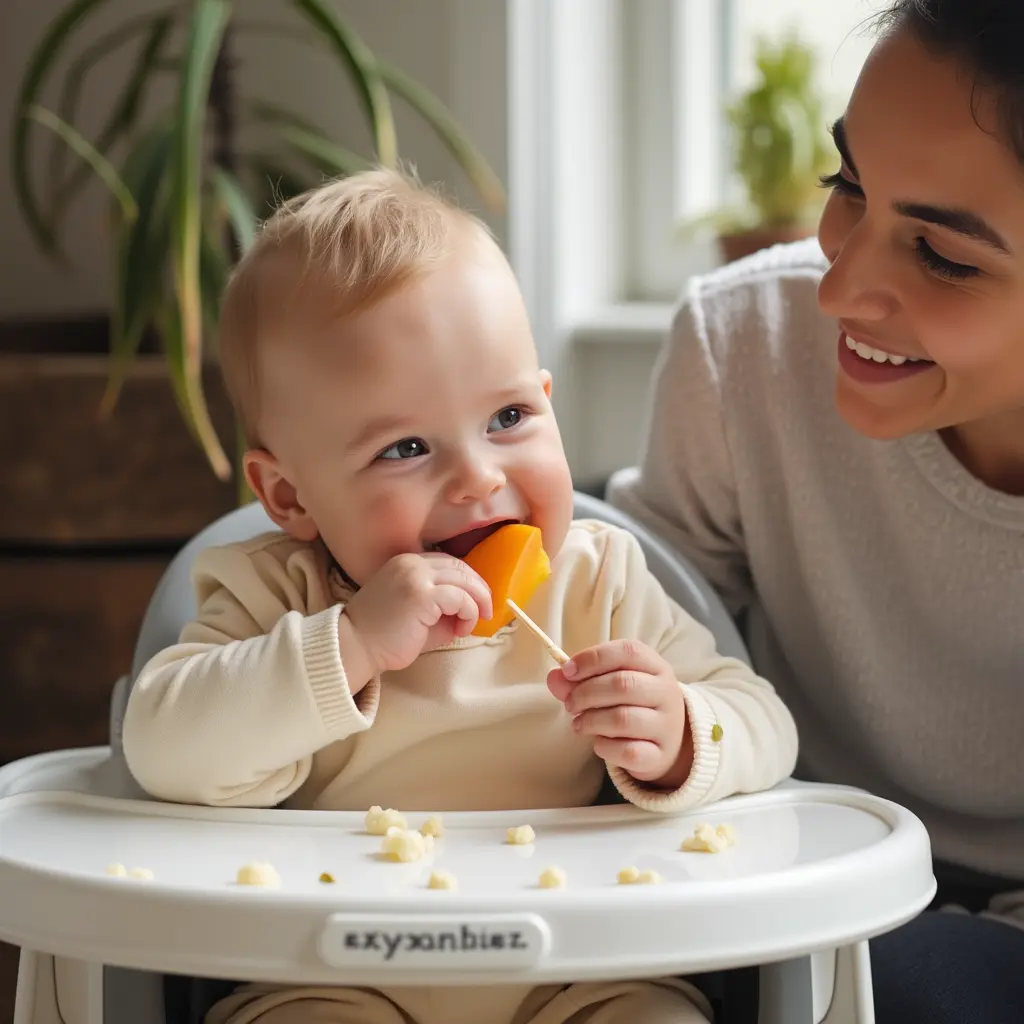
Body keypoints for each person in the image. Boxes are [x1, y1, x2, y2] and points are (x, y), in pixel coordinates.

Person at [122, 169, 798, 1024]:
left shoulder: (598, 583)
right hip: (326, 969)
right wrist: (350, 646)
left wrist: (679, 740)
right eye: (405, 447)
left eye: (509, 418)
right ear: (290, 496)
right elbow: (163, 744)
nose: (479, 478)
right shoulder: (273, 596)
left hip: (586, 965)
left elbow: (764, 720)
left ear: (548, 403)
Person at [607, 1, 1024, 1022]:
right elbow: (644, 649)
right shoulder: (739, 344)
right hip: (787, 871)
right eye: (850, 187)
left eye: (942, 255)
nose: (837, 290)